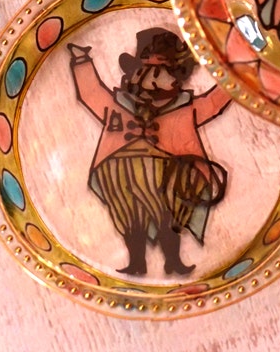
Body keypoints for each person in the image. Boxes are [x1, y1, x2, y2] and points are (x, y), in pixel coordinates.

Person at [67, 27, 231, 276]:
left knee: (170, 219)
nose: (152, 74)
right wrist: (81, 61)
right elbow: (92, 94)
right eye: (147, 65)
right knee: (131, 219)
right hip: (121, 169)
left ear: (175, 74)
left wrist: (235, 79)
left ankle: (172, 261)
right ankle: (137, 262)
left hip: (172, 170)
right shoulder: (118, 105)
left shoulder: (186, 108)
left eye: (161, 67)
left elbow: (213, 103)